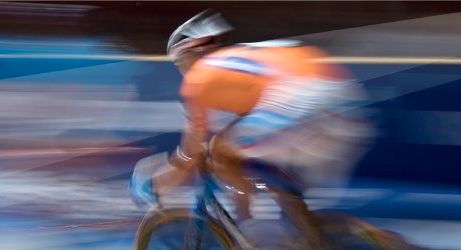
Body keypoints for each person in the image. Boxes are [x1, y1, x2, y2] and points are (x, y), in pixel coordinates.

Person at [128, 8, 376, 247]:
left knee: (221, 153)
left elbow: (188, 157)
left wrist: (154, 183)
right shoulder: (244, 59)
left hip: (302, 102)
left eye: (179, 62)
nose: (181, 70)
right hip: (348, 109)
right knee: (267, 176)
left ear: (190, 52)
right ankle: (312, 233)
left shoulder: (200, 75)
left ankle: (253, 234)